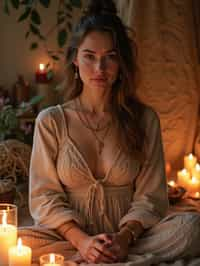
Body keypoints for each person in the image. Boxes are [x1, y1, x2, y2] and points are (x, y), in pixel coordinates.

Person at [19, 0, 200, 265]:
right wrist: (83, 241)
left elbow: (150, 197)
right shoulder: (52, 121)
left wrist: (123, 238)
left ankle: (108, 255)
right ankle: (96, 255)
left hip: (132, 237)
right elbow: (44, 197)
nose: (99, 69)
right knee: (17, 240)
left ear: (121, 63)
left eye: (110, 57)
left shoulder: (144, 119)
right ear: (75, 60)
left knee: (191, 227)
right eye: (89, 56)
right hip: (69, 236)